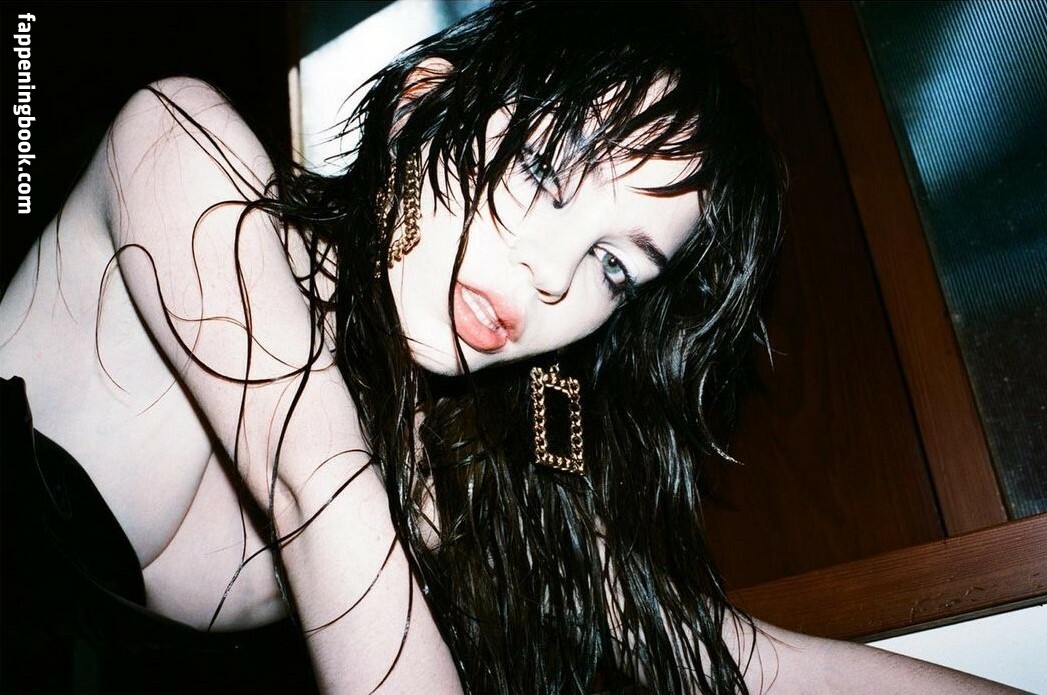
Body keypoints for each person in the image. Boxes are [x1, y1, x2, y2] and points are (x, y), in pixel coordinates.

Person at [0, 2, 1023, 693]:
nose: (553, 280)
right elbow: (319, 478)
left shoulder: (466, 454)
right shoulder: (183, 153)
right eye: (542, 173)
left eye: (614, 266)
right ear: (421, 101)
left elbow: (716, 650)